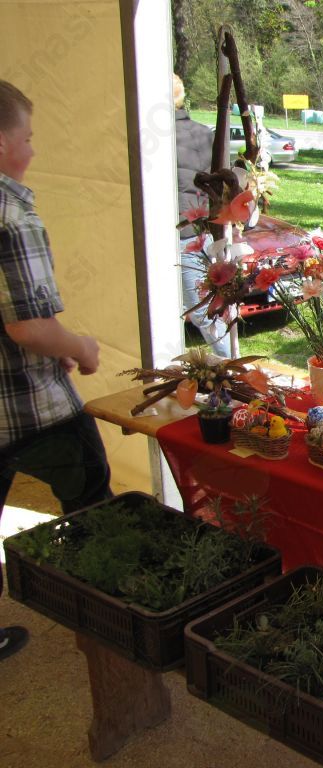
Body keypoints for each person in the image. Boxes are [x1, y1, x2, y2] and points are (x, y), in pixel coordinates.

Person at [0, 80, 113, 661]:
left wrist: (52, 343)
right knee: (92, 503)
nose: (34, 149)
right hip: (30, 407)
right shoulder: (11, 214)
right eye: (27, 137)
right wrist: (80, 347)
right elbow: (27, 327)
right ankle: (104, 623)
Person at [174, 74, 230, 357]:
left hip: (185, 235)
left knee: (204, 313)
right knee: (211, 310)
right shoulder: (203, 132)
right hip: (205, 230)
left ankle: (233, 367)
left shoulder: (162, 138)